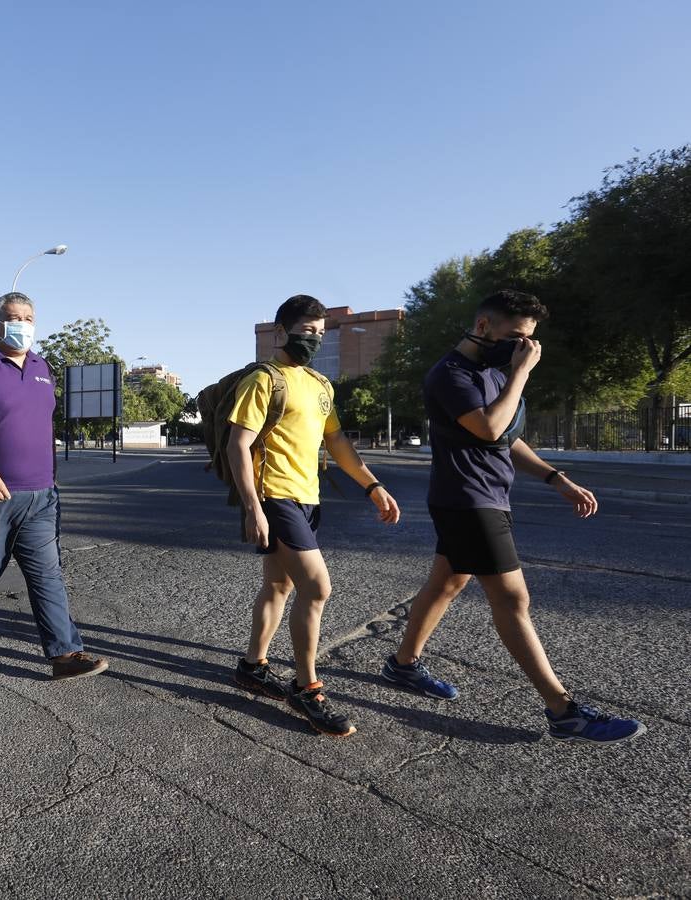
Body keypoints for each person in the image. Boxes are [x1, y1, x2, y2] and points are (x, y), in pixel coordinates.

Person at [382, 289, 645, 743]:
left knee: (447, 582)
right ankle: (563, 711)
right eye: (518, 337)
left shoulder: (492, 373)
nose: (524, 348)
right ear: (484, 327)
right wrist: (520, 374)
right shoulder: (450, 374)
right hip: (467, 500)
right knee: (512, 600)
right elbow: (486, 426)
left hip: (487, 496)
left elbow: (507, 438)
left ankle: (402, 664)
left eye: (530, 342)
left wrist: (556, 478)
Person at [226, 294, 401, 737]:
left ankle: (252, 666)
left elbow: (338, 443)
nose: (313, 340)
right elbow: (238, 445)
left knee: (278, 585)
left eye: (320, 333)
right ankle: (307, 688)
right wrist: (253, 508)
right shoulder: (264, 380)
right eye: (306, 332)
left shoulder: (321, 385)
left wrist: (373, 485)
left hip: (308, 497)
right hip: (274, 496)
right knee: (317, 588)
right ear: (282, 332)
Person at [0, 292, 108, 681]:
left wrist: (50, 480)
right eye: (14, 317)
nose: (23, 325)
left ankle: (65, 653)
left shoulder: (42, 366)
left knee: (47, 574)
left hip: (40, 496)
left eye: (29, 318)